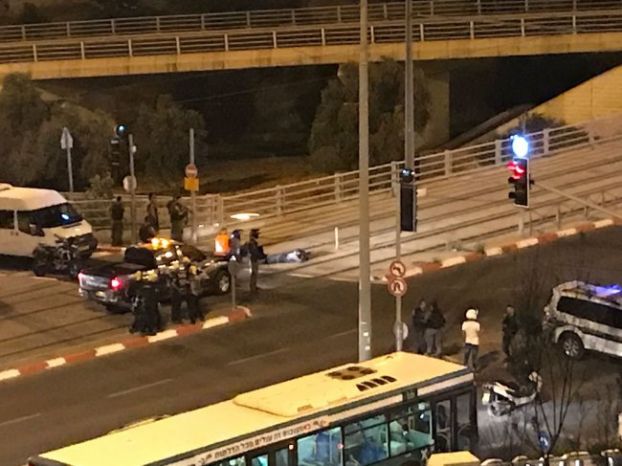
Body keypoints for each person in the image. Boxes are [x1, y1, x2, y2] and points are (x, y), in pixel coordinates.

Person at [247, 228, 262, 294]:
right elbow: (254, 252)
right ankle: (252, 288)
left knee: (255, 273)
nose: (258, 235)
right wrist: (259, 256)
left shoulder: (253, 242)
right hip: (254, 259)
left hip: (254, 259)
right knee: (254, 273)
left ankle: (254, 286)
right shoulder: (252, 242)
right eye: (257, 233)